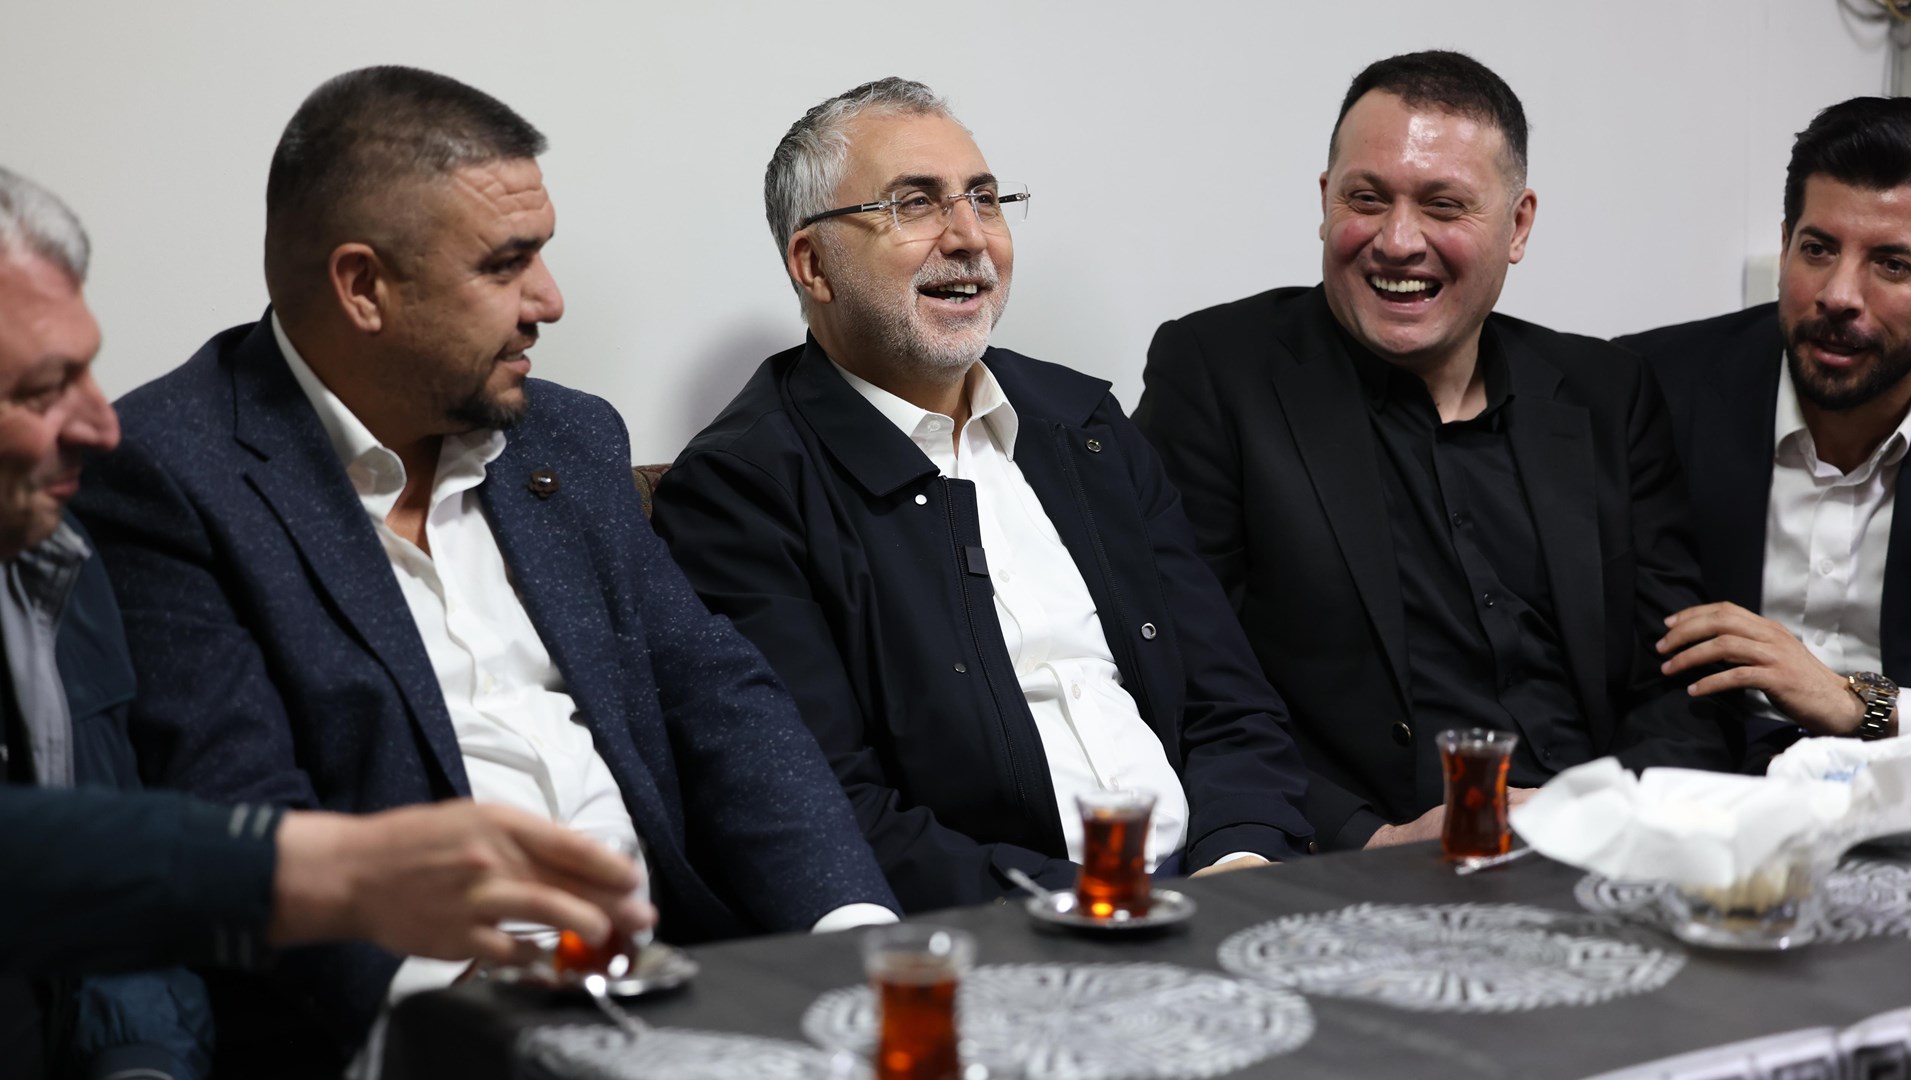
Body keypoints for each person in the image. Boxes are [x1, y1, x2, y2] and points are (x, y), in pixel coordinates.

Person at [71, 67, 897, 1075]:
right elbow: (247, 823)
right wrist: (476, 1032)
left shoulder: (567, 439)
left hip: (672, 980)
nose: (549, 301)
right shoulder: (170, 474)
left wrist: (851, 937)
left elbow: (720, 700)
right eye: (507, 265)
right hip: (415, 1029)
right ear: (362, 287)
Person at [0, 165, 649, 1079]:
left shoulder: (39, 561)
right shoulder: (159, 472)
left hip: (641, 973)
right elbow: (191, 806)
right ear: (362, 288)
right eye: (42, 390)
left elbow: (110, 902)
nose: (97, 424)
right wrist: (337, 880)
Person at [650, 78, 1315, 914]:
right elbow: (828, 810)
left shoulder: (1083, 426)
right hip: (1011, 922)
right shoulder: (743, 490)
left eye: (986, 200)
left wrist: (1241, 856)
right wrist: (1105, 908)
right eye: (914, 204)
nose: (970, 238)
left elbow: (1231, 704)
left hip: (1218, 886)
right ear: (813, 264)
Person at [1134, 51, 1741, 853]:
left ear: (1517, 225)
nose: (1397, 241)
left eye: (1443, 206)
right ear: (1325, 202)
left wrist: (1619, 821)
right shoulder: (1219, 375)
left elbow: (1681, 675)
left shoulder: (1607, 391)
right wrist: (1366, 838)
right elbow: (1176, 672)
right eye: (1366, 199)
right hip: (1367, 861)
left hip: (1612, 848)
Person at [1619, 97, 1911, 762]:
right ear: (1784, 246)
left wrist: (1858, 703)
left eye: (1892, 264)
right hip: (1703, 783)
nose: (1839, 294)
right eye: (1817, 249)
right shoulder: (1648, 391)